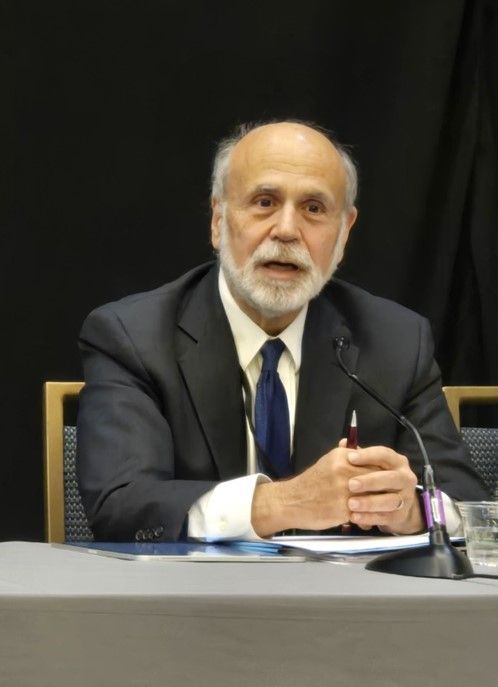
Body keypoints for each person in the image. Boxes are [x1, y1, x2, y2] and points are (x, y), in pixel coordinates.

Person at [76, 120, 487, 542]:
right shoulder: (133, 336)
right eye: (264, 202)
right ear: (218, 219)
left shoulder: (397, 341)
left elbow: (467, 506)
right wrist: (287, 503)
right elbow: (121, 504)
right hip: (190, 584)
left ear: (344, 231)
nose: (287, 230)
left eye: (314, 209)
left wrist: (412, 509)